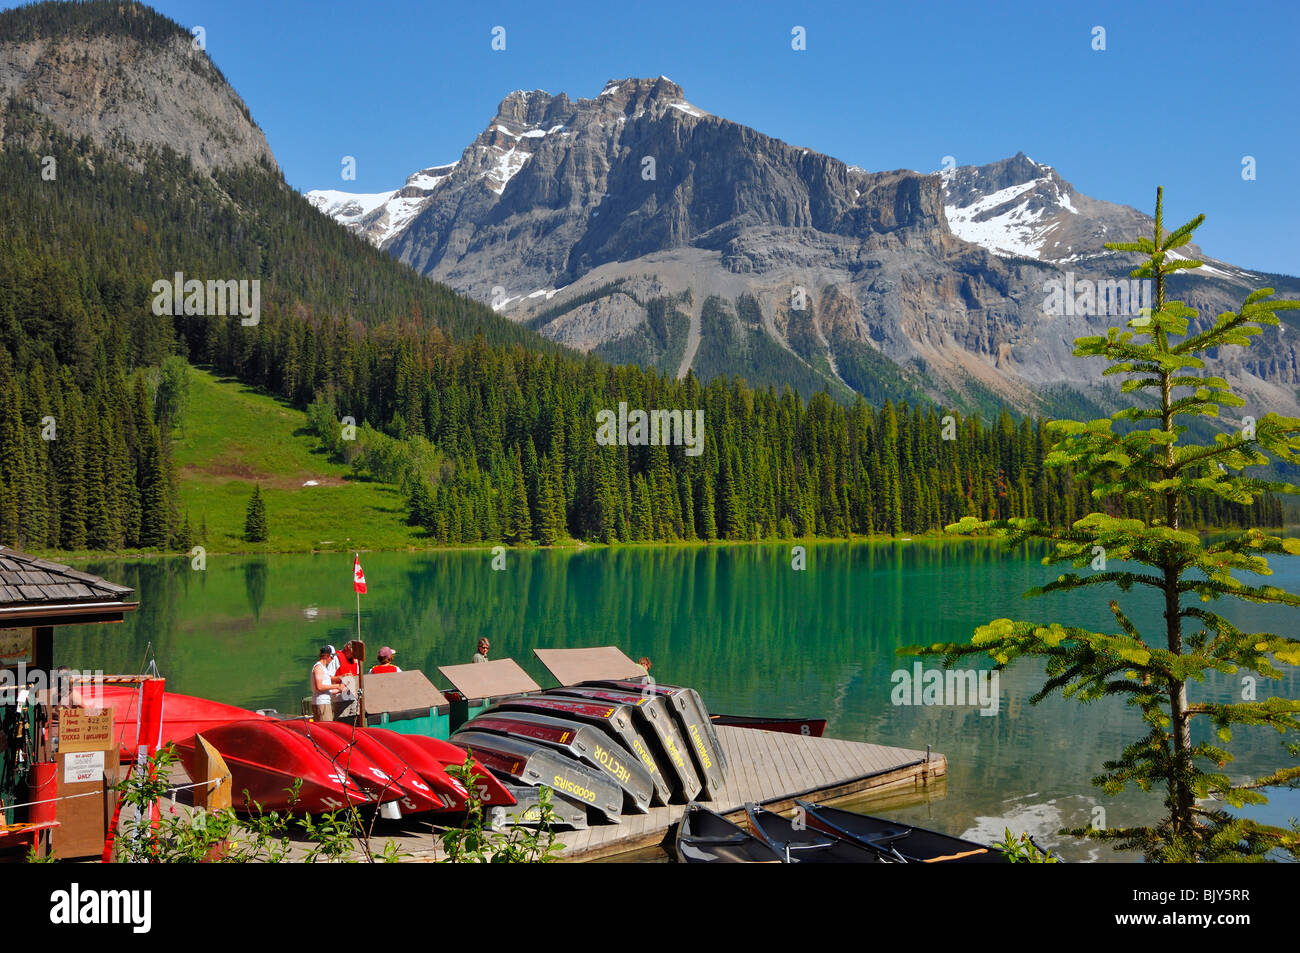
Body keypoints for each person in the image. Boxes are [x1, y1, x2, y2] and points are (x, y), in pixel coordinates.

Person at [311, 646, 342, 721]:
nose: (332, 659)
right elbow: (319, 687)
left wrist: (340, 689)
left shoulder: (324, 668)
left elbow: (326, 690)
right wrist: (337, 686)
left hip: (324, 703)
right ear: (326, 656)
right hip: (322, 704)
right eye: (332, 657)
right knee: (326, 728)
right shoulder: (318, 667)